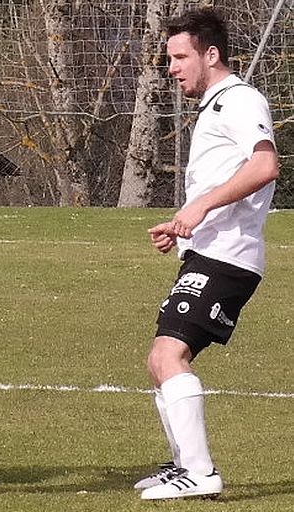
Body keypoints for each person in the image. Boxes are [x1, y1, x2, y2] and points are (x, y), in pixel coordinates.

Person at [137, 8, 279, 500]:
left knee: (168, 355)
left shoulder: (239, 100)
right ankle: (183, 466)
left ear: (211, 54)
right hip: (209, 252)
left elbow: (265, 164)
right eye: (169, 58)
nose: (172, 67)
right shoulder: (214, 106)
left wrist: (199, 207)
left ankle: (199, 473)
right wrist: (184, 228)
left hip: (230, 256)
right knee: (160, 360)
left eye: (180, 57)